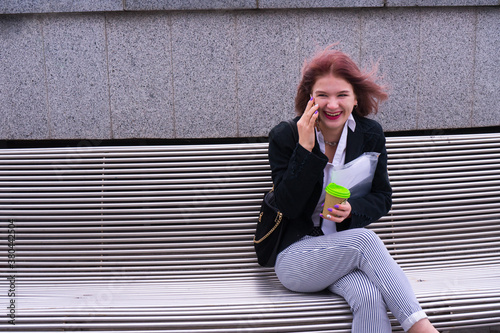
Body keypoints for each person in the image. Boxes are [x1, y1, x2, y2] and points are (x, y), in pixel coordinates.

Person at [267, 46, 439, 333]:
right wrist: (305, 149)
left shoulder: (370, 134)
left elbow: (382, 197)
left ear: (356, 97)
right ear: (310, 99)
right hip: (296, 257)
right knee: (364, 240)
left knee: (369, 296)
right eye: (323, 95)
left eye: (342, 95)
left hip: (343, 254)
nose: (332, 104)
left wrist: (352, 210)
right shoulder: (286, 137)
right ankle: (421, 328)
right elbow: (287, 205)